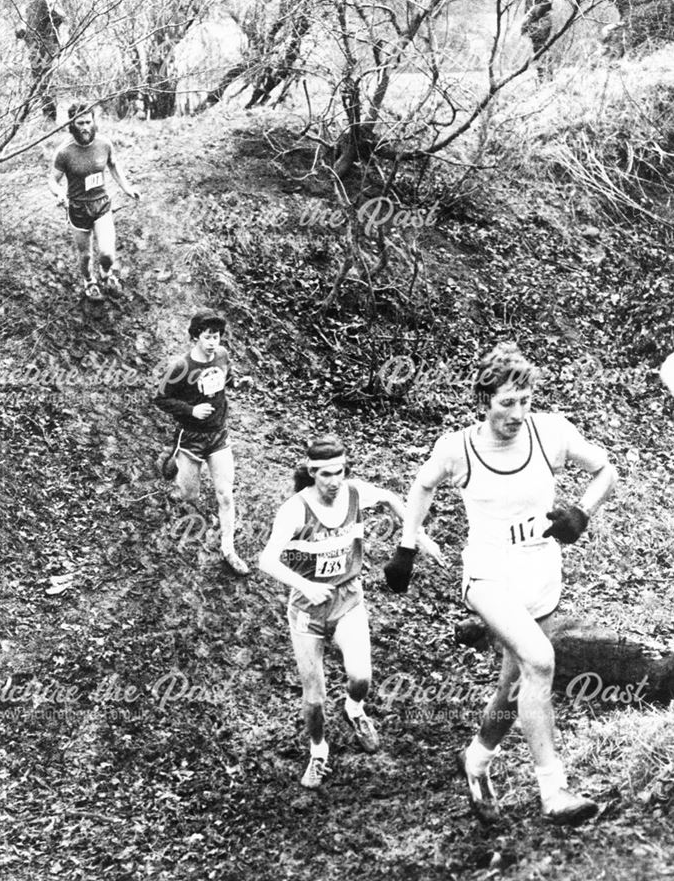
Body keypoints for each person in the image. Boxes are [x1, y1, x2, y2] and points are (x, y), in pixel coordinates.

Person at [386, 341, 617, 825]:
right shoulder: (459, 448)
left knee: (516, 686)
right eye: (506, 403)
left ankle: (477, 758)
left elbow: (605, 469)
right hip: (489, 574)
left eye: (525, 401)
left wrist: (581, 512)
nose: (517, 413)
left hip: (541, 571)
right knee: (541, 660)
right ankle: (554, 792)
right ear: (483, 401)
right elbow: (423, 485)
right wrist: (407, 547)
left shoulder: (550, 433)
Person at [259, 434, 444, 789]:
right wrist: (305, 585)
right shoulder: (295, 509)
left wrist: (418, 536)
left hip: (348, 600)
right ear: (311, 472)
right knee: (314, 699)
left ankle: (354, 710)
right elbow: (266, 559)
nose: (334, 481)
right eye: (325, 474)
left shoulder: (355, 492)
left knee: (361, 677)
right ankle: (318, 750)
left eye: (339, 472)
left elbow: (391, 498)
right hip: (307, 610)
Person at [154, 309, 253, 575]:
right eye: (208, 337)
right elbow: (161, 398)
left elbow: (225, 377)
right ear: (196, 337)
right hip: (191, 438)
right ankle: (172, 462)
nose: (213, 343)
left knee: (225, 495)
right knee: (189, 495)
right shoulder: (181, 367)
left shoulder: (221, 355)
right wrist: (190, 411)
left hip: (218, 435)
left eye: (217, 337)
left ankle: (229, 551)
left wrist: (239, 383)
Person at [48, 103, 140, 302]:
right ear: (72, 124)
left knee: (107, 254)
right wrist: (60, 194)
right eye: (80, 123)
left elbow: (114, 166)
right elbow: (52, 180)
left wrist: (128, 188)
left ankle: (106, 274)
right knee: (86, 255)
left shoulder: (104, 144)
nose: (85, 127)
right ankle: (89, 281)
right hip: (78, 208)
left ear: (94, 121)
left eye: (88, 122)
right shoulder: (64, 152)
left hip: (101, 205)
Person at [15, 0, 66, 122]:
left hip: (47, 49)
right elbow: (24, 30)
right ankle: (46, 117)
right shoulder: (27, 4)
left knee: (46, 83)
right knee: (39, 84)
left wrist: (53, 14)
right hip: (33, 49)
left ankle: (51, 118)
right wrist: (21, 30)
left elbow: (61, 17)